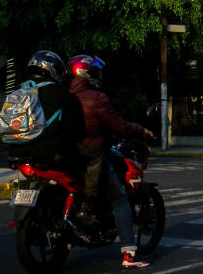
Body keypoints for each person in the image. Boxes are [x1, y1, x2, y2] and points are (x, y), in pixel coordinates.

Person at [68, 54, 154, 269]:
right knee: (120, 199)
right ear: (85, 73)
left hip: (67, 154)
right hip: (92, 153)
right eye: (94, 72)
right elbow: (119, 126)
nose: (98, 76)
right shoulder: (97, 98)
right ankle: (129, 255)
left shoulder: (64, 95)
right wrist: (141, 130)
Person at [6, 50, 85, 168]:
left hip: (15, 153)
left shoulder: (19, 92)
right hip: (50, 155)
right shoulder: (60, 92)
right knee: (89, 160)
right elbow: (77, 128)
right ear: (52, 69)